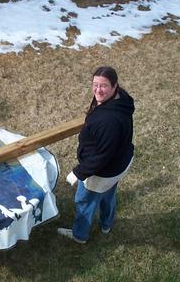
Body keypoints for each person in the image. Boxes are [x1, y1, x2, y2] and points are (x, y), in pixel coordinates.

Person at [57, 66, 135, 244]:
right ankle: (106, 224)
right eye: (95, 85)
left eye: (104, 86)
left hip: (102, 172)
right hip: (119, 164)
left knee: (84, 202)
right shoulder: (121, 99)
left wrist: (78, 173)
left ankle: (79, 235)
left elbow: (101, 156)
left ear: (114, 86)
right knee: (108, 195)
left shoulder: (108, 121)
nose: (98, 90)